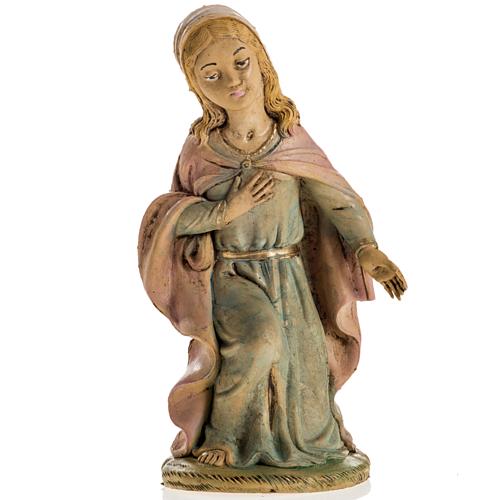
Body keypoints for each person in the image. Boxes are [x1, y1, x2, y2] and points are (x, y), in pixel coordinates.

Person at [138, 5, 407, 469]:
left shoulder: (290, 139)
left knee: (305, 373)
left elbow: (337, 200)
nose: (232, 81)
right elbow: (175, 218)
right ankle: (224, 436)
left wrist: (367, 249)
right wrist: (228, 210)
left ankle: (307, 447)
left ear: (261, 60)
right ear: (196, 86)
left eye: (241, 62)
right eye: (212, 75)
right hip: (231, 275)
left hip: (290, 275)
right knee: (259, 342)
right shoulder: (201, 149)